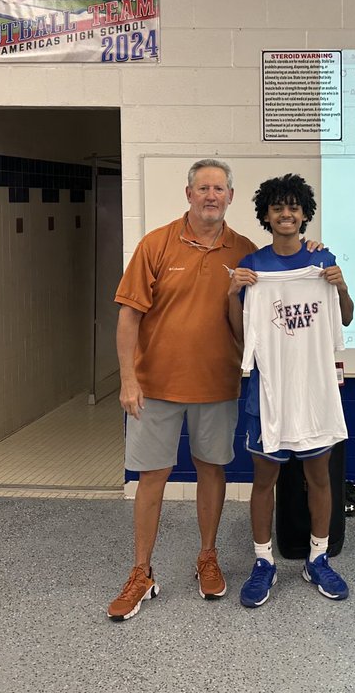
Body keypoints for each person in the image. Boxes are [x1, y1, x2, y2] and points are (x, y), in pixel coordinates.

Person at [106, 159, 260, 621]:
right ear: (189, 194)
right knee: (152, 476)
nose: (211, 195)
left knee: (212, 470)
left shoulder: (246, 251)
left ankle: (207, 556)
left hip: (217, 385)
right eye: (203, 188)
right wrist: (128, 380)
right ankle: (141, 572)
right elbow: (128, 316)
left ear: (231, 197)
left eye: (219, 188)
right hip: (155, 387)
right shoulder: (156, 244)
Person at [228, 174, 354, 608]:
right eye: (278, 208)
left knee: (319, 477)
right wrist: (234, 292)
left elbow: (347, 319)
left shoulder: (323, 262)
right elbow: (238, 332)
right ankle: (263, 562)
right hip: (269, 393)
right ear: (266, 215)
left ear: (304, 214)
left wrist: (339, 284)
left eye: (294, 207)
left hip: (314, 389)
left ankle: (317, 559)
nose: (286, 214)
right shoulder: (253, 266)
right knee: (265, 480)